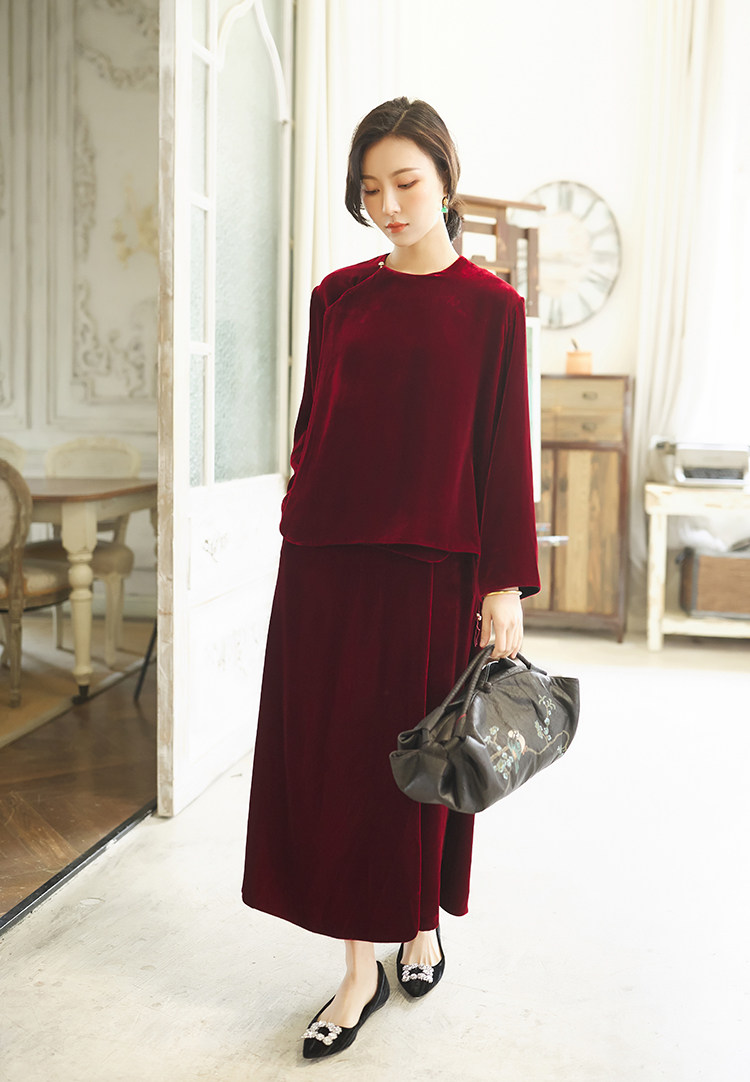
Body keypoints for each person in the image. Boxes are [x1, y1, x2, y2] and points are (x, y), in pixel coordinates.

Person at [241, 96, 540, 1060]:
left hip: (432, 573)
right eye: (371, 189)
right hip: (326, 565)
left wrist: (503, 585)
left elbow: (503, 453)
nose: (389, 206)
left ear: (445, 180)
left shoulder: (493, 310)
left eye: (406, 183)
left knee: (420, 765)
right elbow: (313, 425)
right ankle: (357, 969)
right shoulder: (338, 297)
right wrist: (302, 503)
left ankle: (420, 926)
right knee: (337, 769)